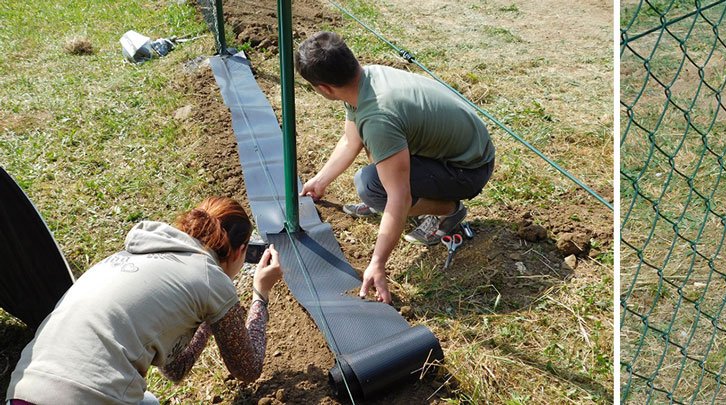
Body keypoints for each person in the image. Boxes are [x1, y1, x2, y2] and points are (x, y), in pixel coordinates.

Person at [5, 197, 283, 405]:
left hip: (22, 390)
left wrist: (213, 314)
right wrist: (261, 293)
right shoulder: (211, 279)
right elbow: (248, 369)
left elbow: (175, 368)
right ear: (241, 251)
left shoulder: (136, 256)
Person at [295, 31, 495, 304]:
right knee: (371, 182)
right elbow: (351, 138)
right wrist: (320, 180)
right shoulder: (365, 80)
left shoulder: (378, 115)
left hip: (469, 170)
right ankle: (421, 201)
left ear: (324, 89)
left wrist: (377, 263)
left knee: (374, 189)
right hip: (461, 151)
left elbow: (398, 196)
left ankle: (449, 211)